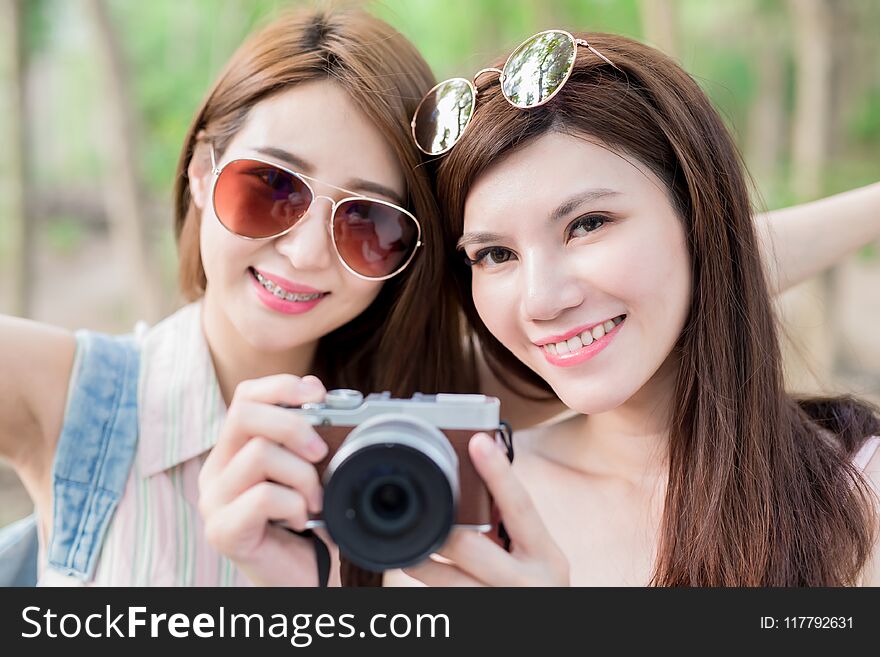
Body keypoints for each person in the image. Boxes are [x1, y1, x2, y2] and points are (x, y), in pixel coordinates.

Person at [0, 11, 877, 587]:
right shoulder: (76, 393)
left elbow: (683, 280)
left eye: (368, 222)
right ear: (198, 173)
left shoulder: (434, 422)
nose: (305, 248)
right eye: (271, 187)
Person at [396, 29, 880, 586]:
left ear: (700, 216)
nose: (541, 301)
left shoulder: (854, 494)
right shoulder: (455, 508)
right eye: (495, 254)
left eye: (587, 225)